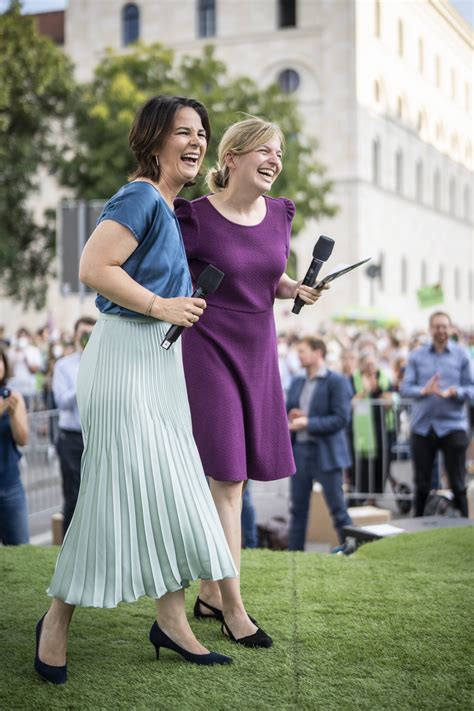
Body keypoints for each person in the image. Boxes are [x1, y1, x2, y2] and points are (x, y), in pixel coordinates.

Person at [34, 95, 238, 686]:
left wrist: (178, 307)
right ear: (154, 141)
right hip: (123, 357)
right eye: (184, 132)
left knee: (175, 490)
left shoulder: (169, 210)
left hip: (158, 362)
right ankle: (56, 621)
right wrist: (160, 304)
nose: (197, 142)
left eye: (202, 132)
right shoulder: (141, 196)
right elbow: (94, 268)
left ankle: (172, 621)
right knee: (107, 492)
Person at [175, 116, 325, 648]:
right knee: (227, 480)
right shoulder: (190, 216)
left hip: (258, 351)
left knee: (235, 483)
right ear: (232, 156)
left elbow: (269, 274)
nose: (276, 160)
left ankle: (211, 593)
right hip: (207, 349)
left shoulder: (280, 213)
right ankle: (234, 608)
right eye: (265, 149)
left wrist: (294, 291)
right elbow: (167, 275)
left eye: (280, 152)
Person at [401, 311, 474, 517]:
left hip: (453, 426)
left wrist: (455, 392)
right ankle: (416, 529)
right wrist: (422, 391)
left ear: (450, 329)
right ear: (430, 329)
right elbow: (405, 388)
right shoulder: (417, 355)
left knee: (458, 483)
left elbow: (472, 388)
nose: (441, 330)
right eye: (437, 326)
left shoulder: (462, 355)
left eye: (444, 326)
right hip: (423, 426)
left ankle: (464, 530)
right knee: (422, 484)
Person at [286, 337, 353, 549]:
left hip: (327, 453)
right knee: (298, 509)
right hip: (301, 451)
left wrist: (308, 422)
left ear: (318, 353)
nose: (299, 355)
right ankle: (293, 557)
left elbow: (341, 418)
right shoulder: (297, 381)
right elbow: (289, 411)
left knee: (338, 509)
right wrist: (293, 415)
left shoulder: (337, 381)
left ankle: (352, 550)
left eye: (303, 351)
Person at [52, 316, 96, 537]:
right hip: (71, 437)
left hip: (96, 436)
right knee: (73, 495)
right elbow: (62, 402)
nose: (87, 338)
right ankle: (68, 549)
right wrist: (85, 378)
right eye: (83, 333)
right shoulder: (64, 366)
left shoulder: (105, 361)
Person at [350, 351, 394, 501]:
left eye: (372, 363)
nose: (370, 367)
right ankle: (362, 497)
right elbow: (351, 401)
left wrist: (377, 389)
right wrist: (365, 391)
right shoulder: (353, 378)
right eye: (367, 364)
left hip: (380, 427)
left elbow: (389, 401)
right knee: (362, 464)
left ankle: (374, 498)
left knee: (380, 463)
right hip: (360, 430)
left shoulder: (383, 378)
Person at [0, 349, 29, 544]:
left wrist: (11, 414)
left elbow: (23, 439)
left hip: (10, 486)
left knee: (20, 551)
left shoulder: (12, 395)